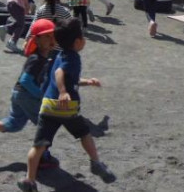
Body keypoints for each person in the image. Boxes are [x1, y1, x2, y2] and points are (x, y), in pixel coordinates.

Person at [17, 18, 116, 192]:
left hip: (48, 106)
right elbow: (60, 73)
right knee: (85, 133)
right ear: (78, 42)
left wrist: (87, 82)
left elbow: (67, 77)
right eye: (83, 37)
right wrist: (63, 92)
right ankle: (95, 162)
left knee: (38, 145)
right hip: (66, 108)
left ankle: (29, 180)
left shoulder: (58, 55)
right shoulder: (73, 58)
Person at [0, 19, 61, 170]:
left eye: (52, 36)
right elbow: (25, 80)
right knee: (46, 124)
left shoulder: (44, 58)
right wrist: (41, 95)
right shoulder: (37, 59)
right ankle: (42, 156)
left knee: (13, 124)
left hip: (19, 94)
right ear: (36, 39)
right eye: (46, 37)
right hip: (26, 95)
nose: (51, 40)